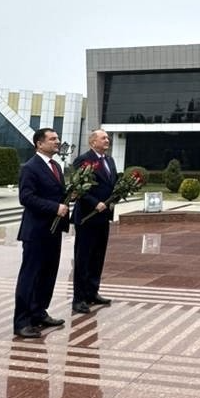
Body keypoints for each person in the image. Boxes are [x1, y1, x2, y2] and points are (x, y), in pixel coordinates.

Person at [13, 128, 69, 338]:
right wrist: (54, 208)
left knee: (48, 275)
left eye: (57, 138)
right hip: (36, 231)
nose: (57, 141)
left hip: (53, 231)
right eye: (52, 139)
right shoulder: (30, 167)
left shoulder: (56, 166)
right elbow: (26, 198)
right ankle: (22, 322)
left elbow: (56, 193)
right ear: (39, 143)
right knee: (30, 276)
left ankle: (39, 312)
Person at [71, 128, 117, 314]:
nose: (107, 140)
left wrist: (117, 196)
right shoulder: (83, 160)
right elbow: (79, 187)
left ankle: (92, 292)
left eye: (107, 138)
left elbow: (112, 184)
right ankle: (79, 298)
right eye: (103, 138)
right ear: (93, 142)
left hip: (104, 217)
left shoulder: (109, 160)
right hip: (87, 217)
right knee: (84, 258)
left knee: (98, 256)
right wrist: (94, 203)